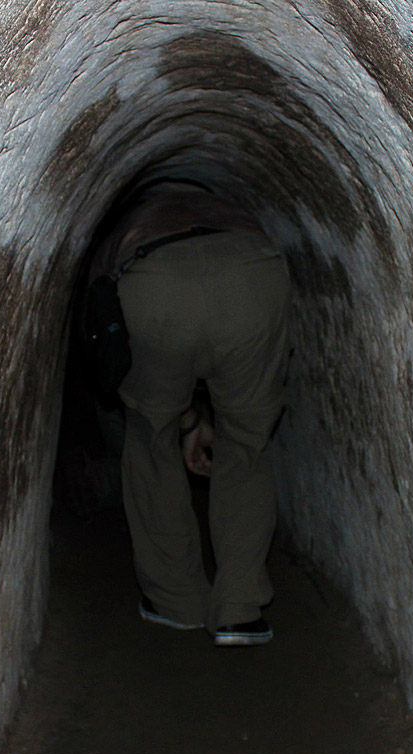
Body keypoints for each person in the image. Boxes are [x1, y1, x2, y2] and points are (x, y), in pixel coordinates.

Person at [91, 178, 290, 646]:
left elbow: (103, 326)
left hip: (153, 278)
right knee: (247, 440)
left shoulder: (129, 222)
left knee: (150, 436)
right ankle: (240, 610)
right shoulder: (229, 206)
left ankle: (176, 600)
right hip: (252, 276)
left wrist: (180, 422)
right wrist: (201, 422)